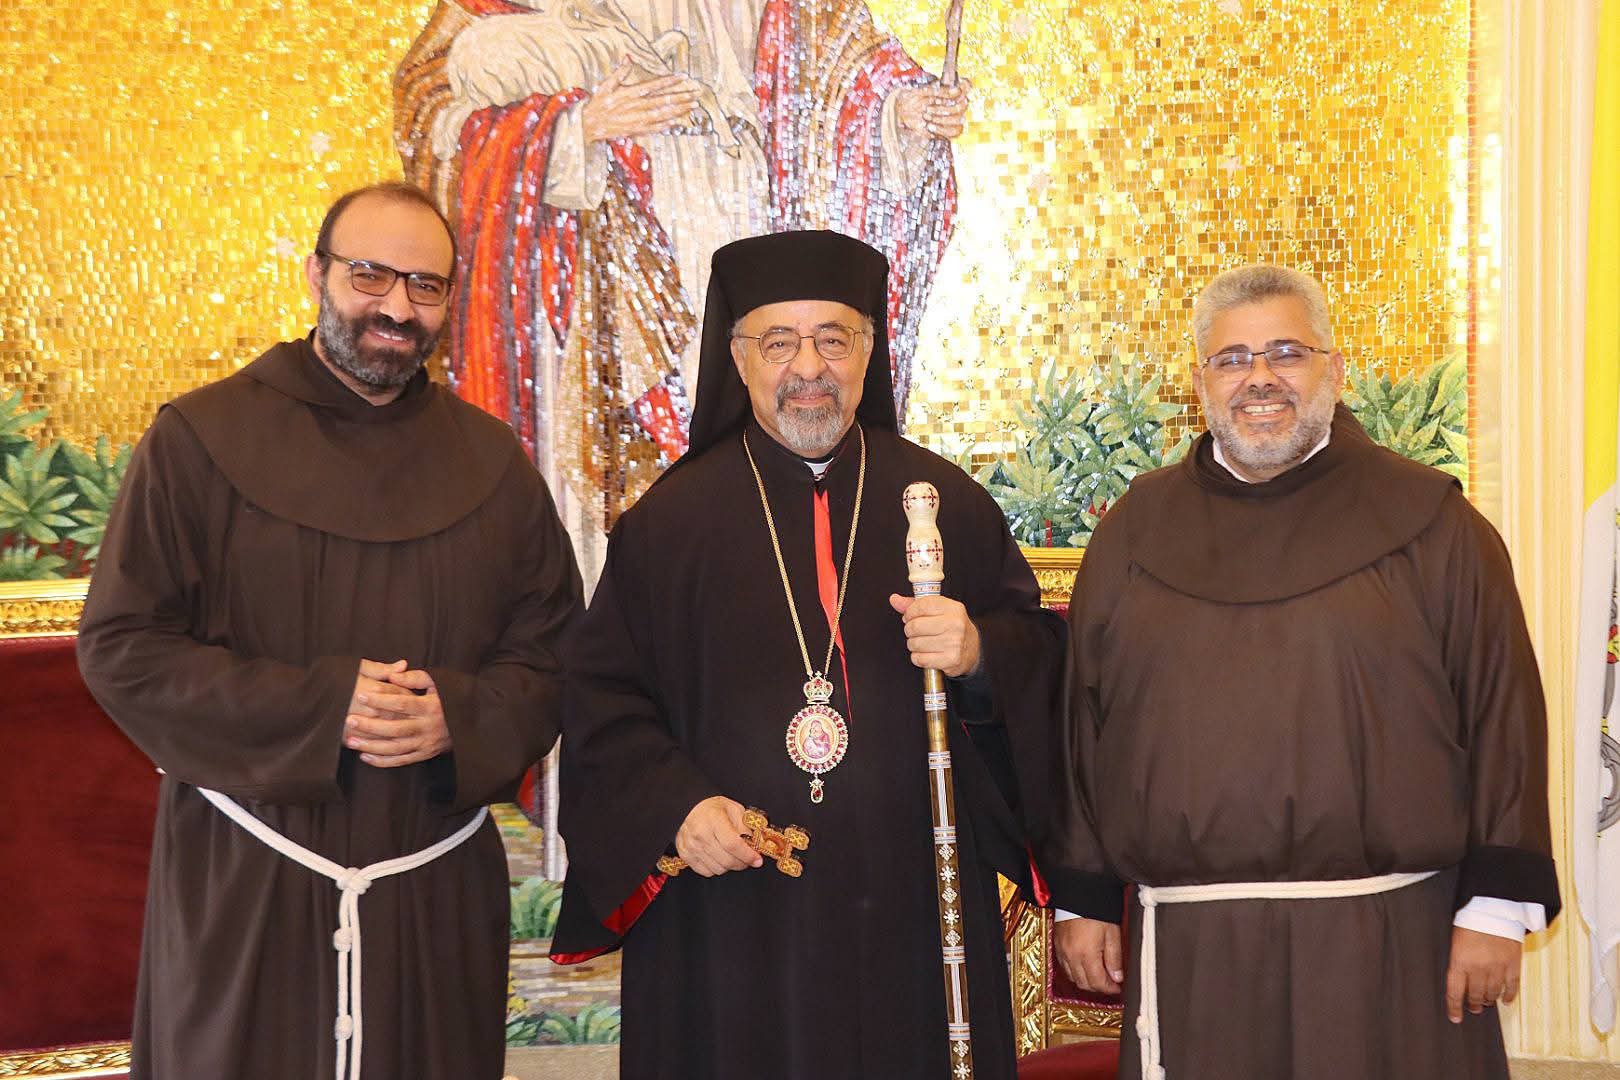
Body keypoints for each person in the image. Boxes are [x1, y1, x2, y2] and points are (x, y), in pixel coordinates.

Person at [76, 181, 583, 1080]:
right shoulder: (199, 439)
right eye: (369, 275)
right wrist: (322, 708)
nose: (397, 307)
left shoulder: (494, 464)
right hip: (247, 884)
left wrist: (458, 717)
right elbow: (123, 648)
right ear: (316, 274)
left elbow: (554, 659)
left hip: (432, 895)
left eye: (425, 286)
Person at [548, 229, 1063, 1078]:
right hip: (729, 916)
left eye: (834, 338)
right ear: (738, 358)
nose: (809, 367)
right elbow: (601, 702)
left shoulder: (946, 506)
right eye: (779, 342)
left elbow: (1041, 664)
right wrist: (678, 808)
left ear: (870, 350)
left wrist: (979, 654)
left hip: (910, 907)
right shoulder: (668, 527)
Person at [1045, 265, 1560, 1079]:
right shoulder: (1135, 533)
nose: (1260, 378)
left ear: (1334, 368)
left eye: (1286, 352)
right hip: (1196, 949)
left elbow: (1501, 709)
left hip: (1394, 939)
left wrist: (1495, 906)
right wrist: (1083, 895)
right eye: (1232, 359)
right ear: (1200, 384)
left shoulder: (1434, 524)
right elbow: (1084, 722)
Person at [395, 0, 971, 543]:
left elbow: (834, 60)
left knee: (743, 501)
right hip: (595, 255)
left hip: (735, 228)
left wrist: (898, 114)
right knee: (608, 507)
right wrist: (574, 130)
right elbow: (431, 110)